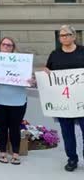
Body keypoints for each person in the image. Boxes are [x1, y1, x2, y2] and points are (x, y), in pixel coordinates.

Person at [0, 37, 32, 165]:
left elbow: (29, 79)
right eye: (4, 45)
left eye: (9, 45)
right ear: (0, 46)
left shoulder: (22, 61)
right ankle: (2, 153)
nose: (6, 47)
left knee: (15, 127)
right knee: (1, 127)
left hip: (17, 100)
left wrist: (31, 81)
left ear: (13, 47)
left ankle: (15, 154)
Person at [45, 25, 84, 172]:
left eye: (67, 35)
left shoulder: (82, 51)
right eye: (61, 35)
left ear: (74, 36)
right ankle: (72, 159)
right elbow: (49, 71)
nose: (64, 38)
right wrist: (46, 72)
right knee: (67, 132)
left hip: (82, 100)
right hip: (64, 101)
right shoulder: (55, 54)